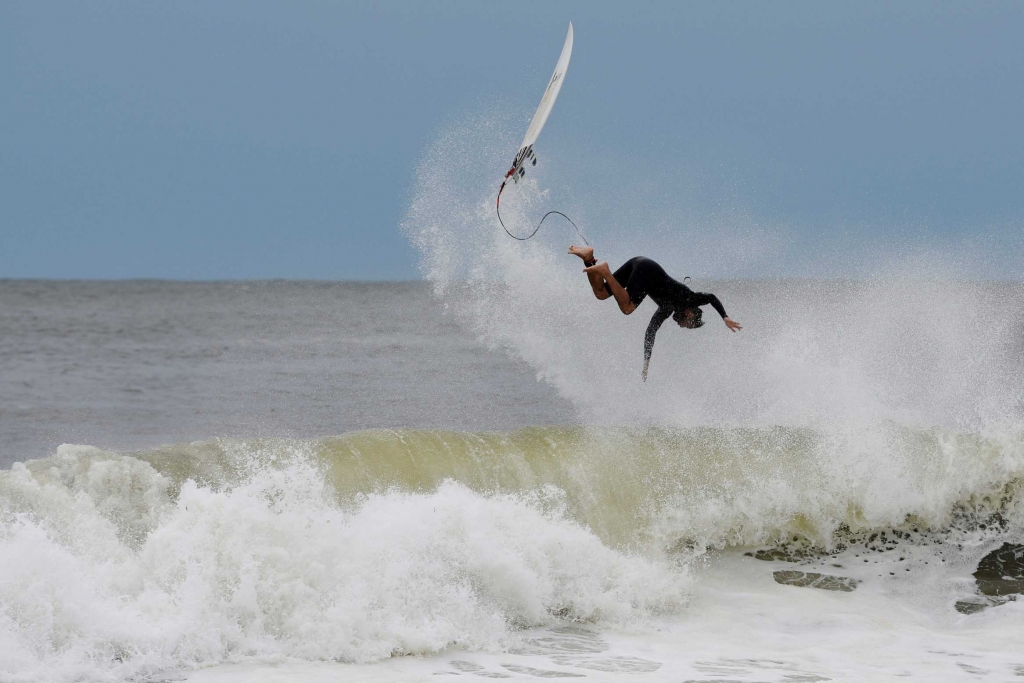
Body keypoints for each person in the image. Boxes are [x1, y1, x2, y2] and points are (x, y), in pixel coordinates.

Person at [568, 245, 742, 380]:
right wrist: (725, 317)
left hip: (640, 262)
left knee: (601, 293)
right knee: (627, 308)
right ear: (690, 314)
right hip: (648, 272)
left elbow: (651, 331)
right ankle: (605, 270)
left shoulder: (666, 309)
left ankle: (589, 258)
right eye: (686, 325)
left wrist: (646, 362)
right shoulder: (689, 299)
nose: (680, 326)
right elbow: (711, 297)